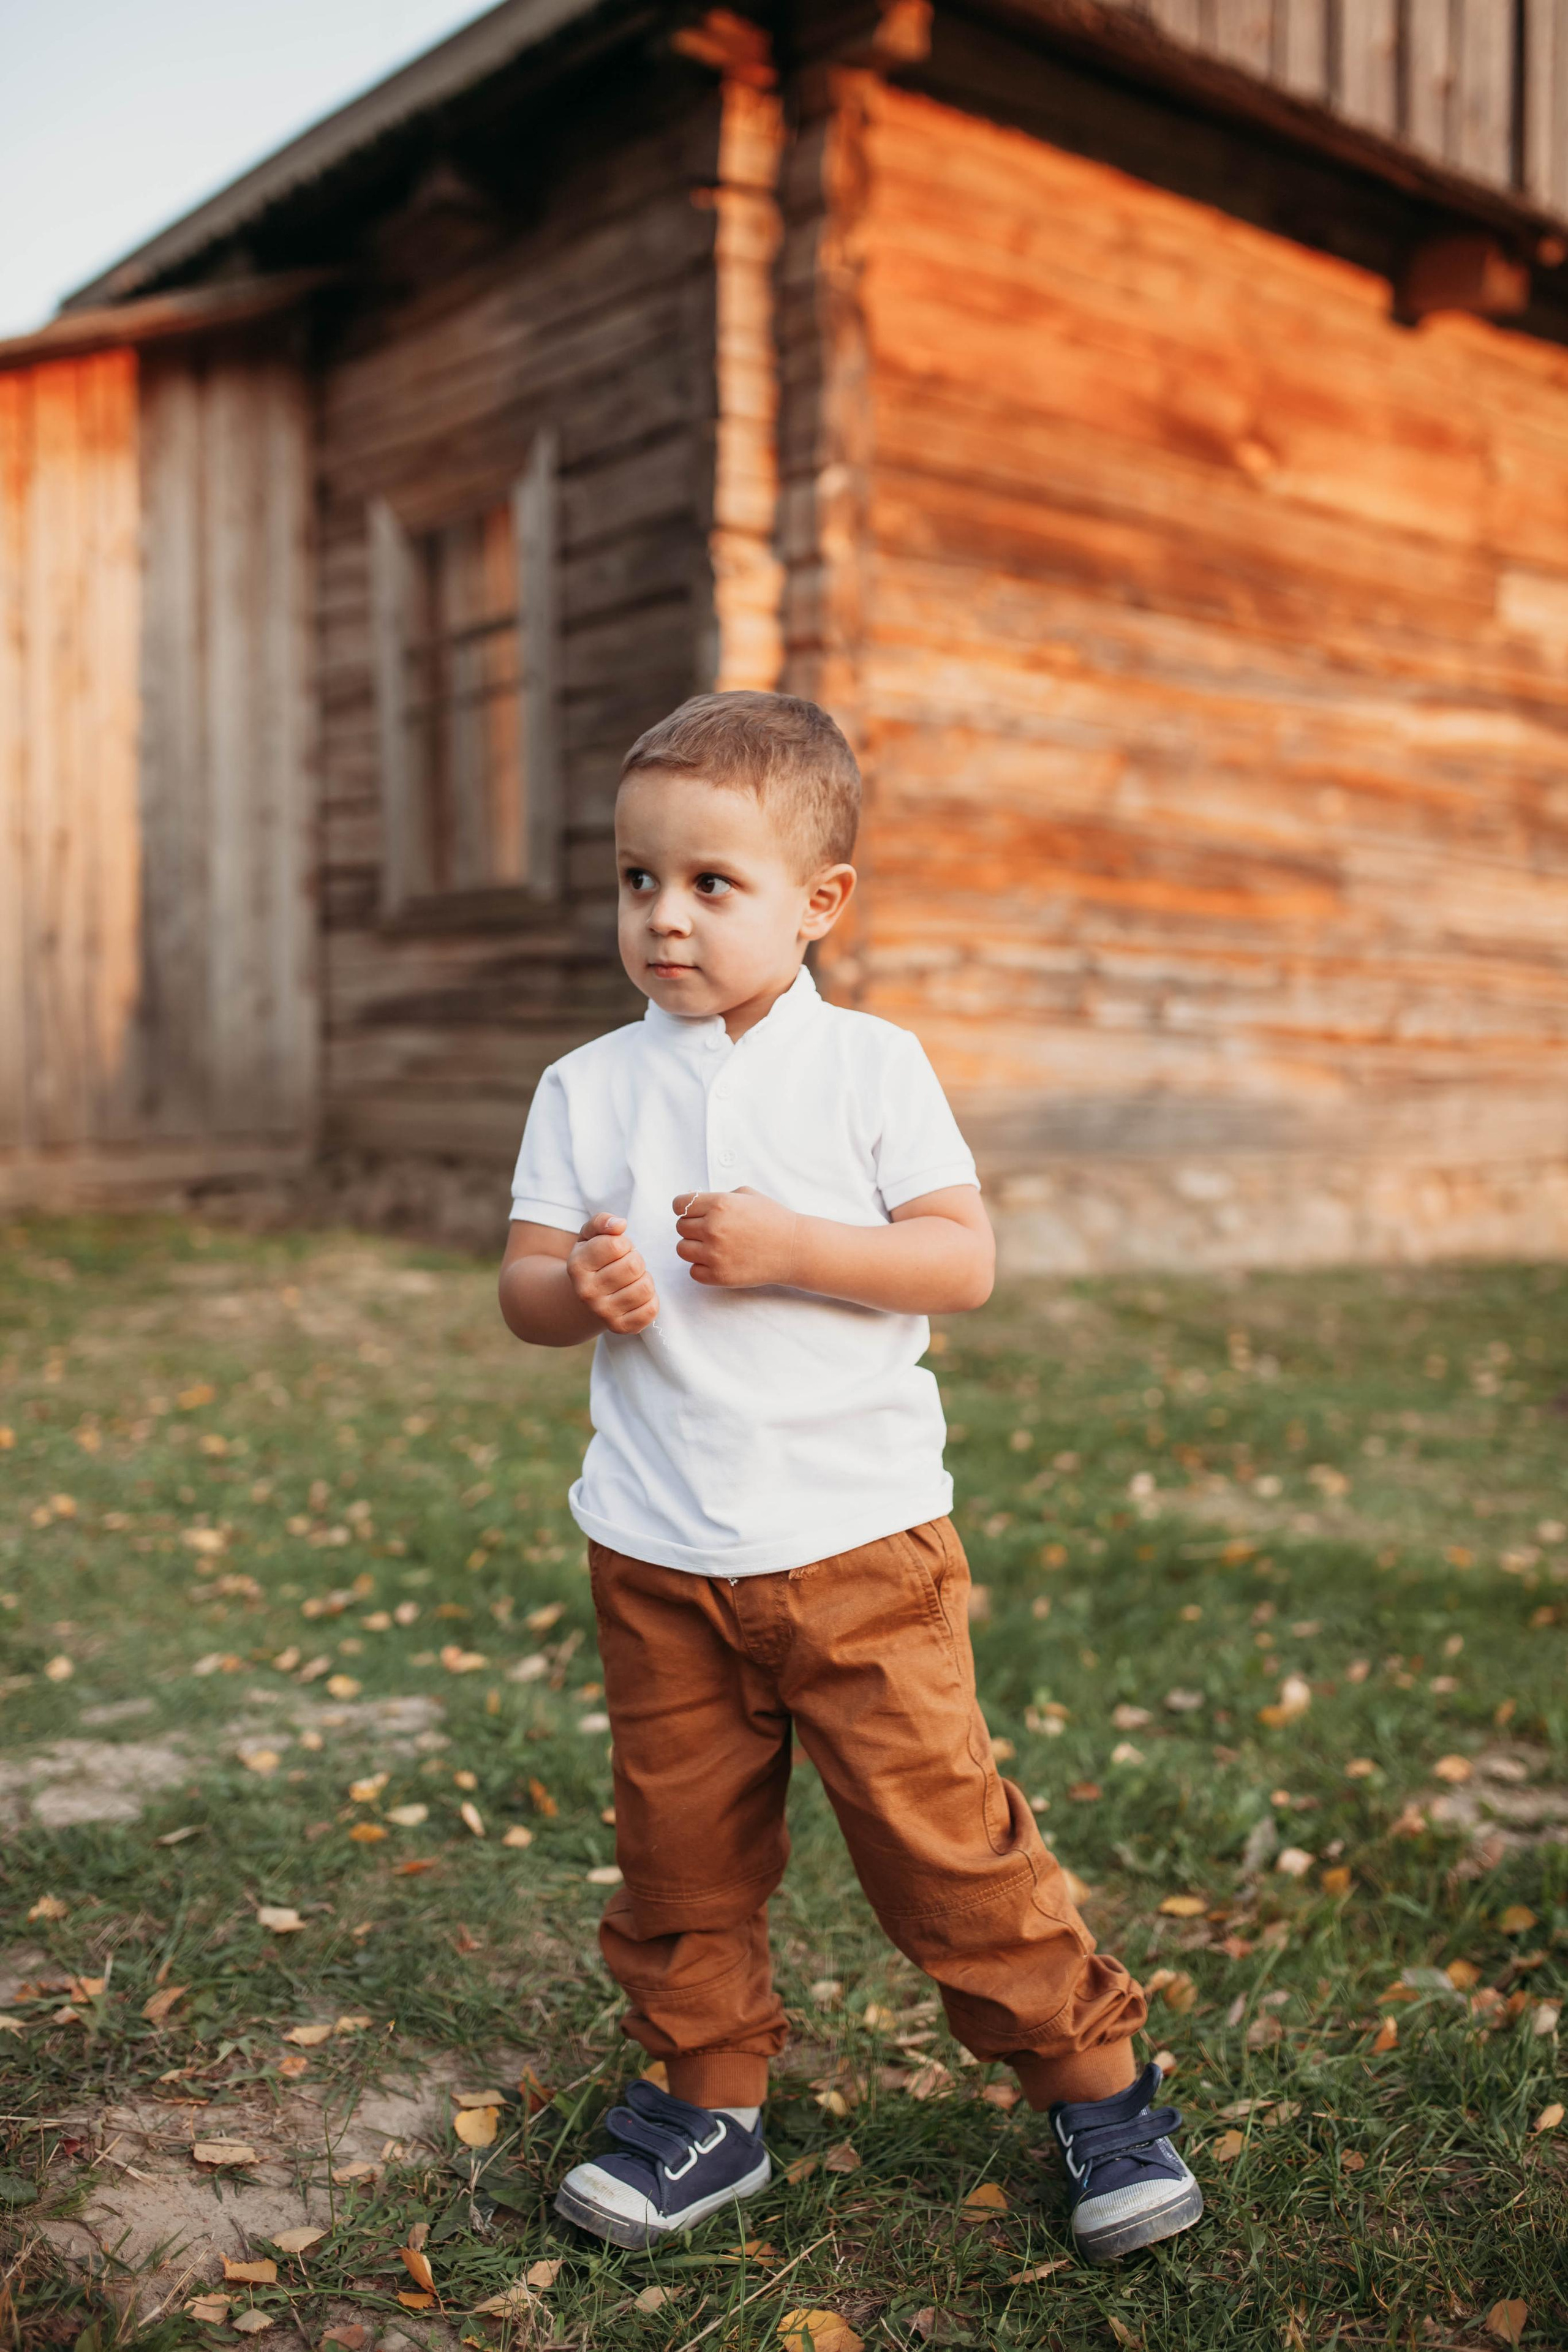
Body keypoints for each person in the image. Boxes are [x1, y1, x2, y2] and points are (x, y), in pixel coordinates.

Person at [497, 690, 1200, 2267]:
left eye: (709, 885)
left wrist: (798, 1247)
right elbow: (522, 1284)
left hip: (856, 1549)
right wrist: (580, 1296)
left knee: (940, 1839)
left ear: (821, 905)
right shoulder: (587, 1087)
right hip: (658, 1549)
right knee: (679, 1853)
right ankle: (709, 2106)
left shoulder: (870, 1067)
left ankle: (1094, 2085)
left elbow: (960, 1261)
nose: (662, 918)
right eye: (635, 881)